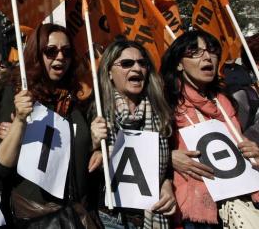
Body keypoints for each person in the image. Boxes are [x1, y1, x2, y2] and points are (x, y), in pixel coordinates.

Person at [0, 23, 101, 228]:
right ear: (36, 54)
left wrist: (95, 147)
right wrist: (19, 121)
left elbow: (78, 151)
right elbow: (3, 167)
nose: (60, 57)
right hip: (34, 216)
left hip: (74, 213)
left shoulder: (79, 97)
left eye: (66, 51)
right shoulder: (17, 93)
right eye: (51, 51)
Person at [160, 30, 259, 228]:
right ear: (179, 63)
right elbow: (143, 150)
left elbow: (241, 144)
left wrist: (255, 151)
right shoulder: (164, 102)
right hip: (196, 211)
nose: (207, 56)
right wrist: (168, 157)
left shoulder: (225, 101)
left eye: (212, 51)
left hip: (241, 198)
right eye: (195, 52)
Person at [90, 40, 176, 228]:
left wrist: (166, 184)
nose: (137, 68)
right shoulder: (96, 112)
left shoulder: (160, 112)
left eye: (142, 63)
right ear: (109, 73)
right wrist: (94, 146)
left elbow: (165, 166)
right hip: (110, 219)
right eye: (127, 63)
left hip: (153, 215)